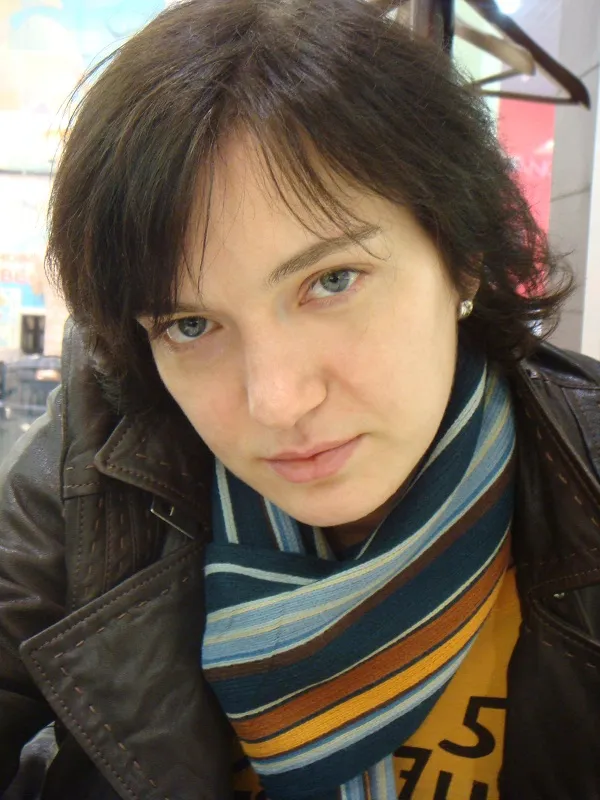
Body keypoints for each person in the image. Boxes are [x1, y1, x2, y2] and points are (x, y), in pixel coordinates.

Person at [1, 0, 599, 798]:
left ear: (461, 256)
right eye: (190, 325)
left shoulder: (584, 474)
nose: (277, 401)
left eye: (332, 280)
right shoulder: (94, 471)